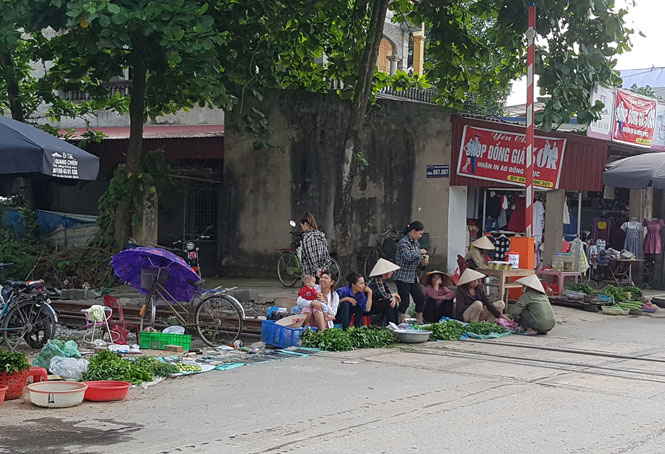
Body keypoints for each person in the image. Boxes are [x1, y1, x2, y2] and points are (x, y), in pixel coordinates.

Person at [394, 221, 427, 324]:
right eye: (420, 233)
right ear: (413, 231)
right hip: (402, 276)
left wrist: (423, 263)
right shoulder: (403, 242)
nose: (420, 236)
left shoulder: (416, 243)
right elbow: (408, 257)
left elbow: (416, 260)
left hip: (413, 276)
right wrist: (419, 252)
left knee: (421, 297)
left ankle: (419, 320)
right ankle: (400, 321)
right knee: (405, 302)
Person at [367, 258, 401, 327]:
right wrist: (394, 295)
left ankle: (395, 324)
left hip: (377, 303)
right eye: (391, 271)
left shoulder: (383, 281)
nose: (392, 273)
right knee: (389, 302)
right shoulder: (377, 280)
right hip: (370, 305)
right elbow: (384, 295)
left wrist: (393, 297)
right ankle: (392, 324)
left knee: (391, 301)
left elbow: (388, 294)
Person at [299, 212, 333, 278]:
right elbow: (326, 254)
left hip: (310, 273)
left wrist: (316, 270)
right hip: (323, 271)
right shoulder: (321, 235)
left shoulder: (307, 237)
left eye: (302, 226)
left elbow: (310, 256)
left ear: (305, 224)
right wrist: (323, 268)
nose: (302, 228)